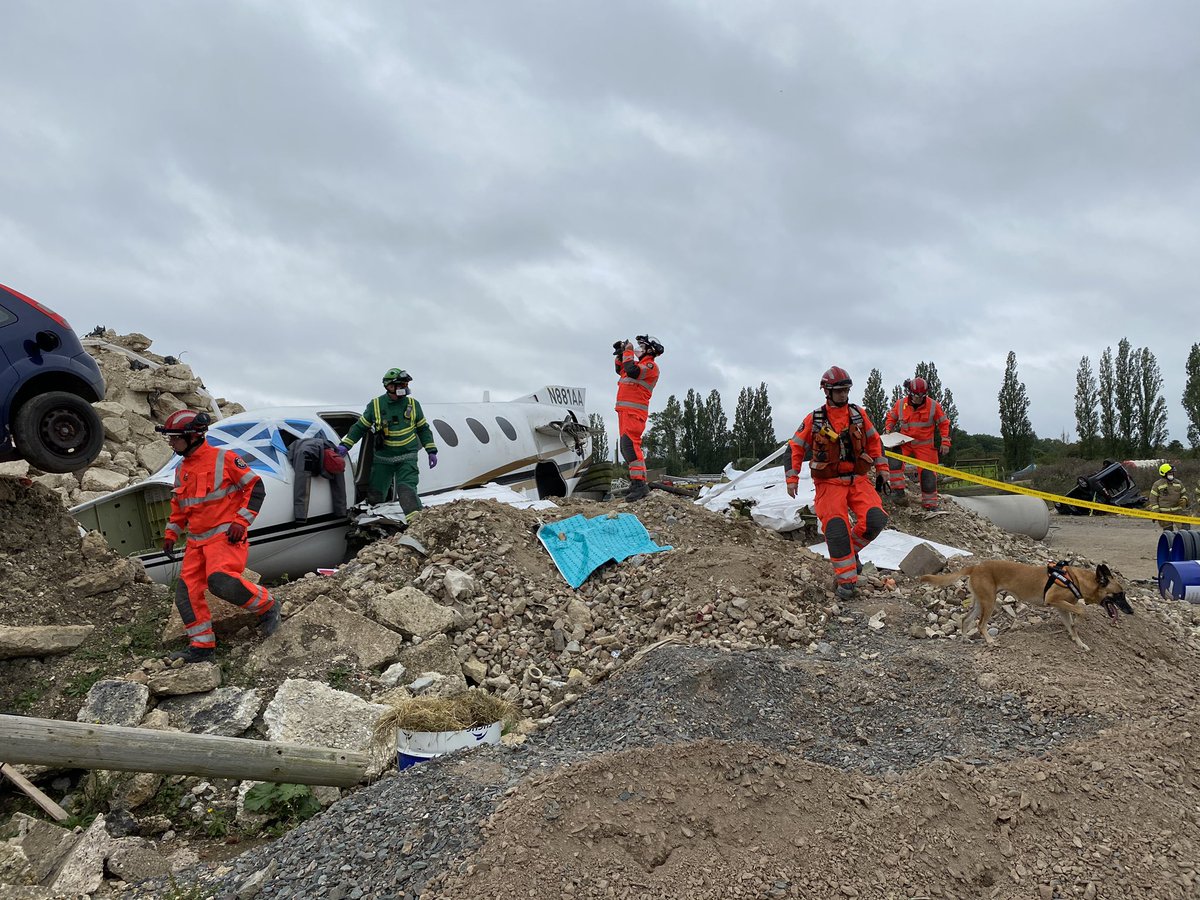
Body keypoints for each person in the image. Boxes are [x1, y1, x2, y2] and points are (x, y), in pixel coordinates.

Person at [156, 410, 279, 664]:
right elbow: (179, 506)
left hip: (225, 538)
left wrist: (241, 521)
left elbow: (255, 487)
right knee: (186, 595)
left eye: (175, 437)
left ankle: (267, 606)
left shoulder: (224, 459)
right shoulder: (181, 470)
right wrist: (171, 534)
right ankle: (202, 647)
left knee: (220, 581)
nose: (171, 442)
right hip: (195, 543)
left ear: (192, 436)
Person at [786, 366, 890, 599]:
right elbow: (794, 448)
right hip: (829, 484)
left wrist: (883, 470)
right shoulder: (814, 419)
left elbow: (875, 442)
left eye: (846, 390)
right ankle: (846, 581)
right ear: (827, 392)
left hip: (858, 480)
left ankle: (850, 554)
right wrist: (791, 479)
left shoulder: (858, 414)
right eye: (839, 391)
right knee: (836, 529)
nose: (844, 395)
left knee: (875, 519)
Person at [338, 368, 438, 509]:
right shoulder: (376, 405)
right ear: (390, 386)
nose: (405, 388)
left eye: (406, 385)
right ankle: (375, 523)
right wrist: (345, 445)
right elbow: (360, 427)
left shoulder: (413, 405)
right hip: (383, 458)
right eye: (402, 385)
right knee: (375, 495)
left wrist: (431, 450)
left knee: (406, 490)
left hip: (407, 456)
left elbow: (423, 429)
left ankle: (415, 524)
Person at [884, 376, 951, 510]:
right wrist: (888, 429)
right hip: (905, 441)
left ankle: (930, 504)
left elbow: (944, 423)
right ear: (909, 392)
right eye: (916, 395)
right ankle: (898, 493)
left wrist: (945, 441)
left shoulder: (933, 406)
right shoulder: (901, 404)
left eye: (922, 395)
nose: (919, 398)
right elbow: (892, 417)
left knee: (928, 473)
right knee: (894, 462)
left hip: (924, 444)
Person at [614, 335, 663, 502]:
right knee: (626, 448)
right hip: (625, 411)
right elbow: (621, 369)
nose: (638, 349)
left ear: (650, 350)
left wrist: (628, 351)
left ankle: (640, 484)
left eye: (642, 346)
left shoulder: (651, 366)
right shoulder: (637, 364)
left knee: (631, 446)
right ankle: (636, 483)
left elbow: (632, 371)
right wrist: (620, 353)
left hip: (634, 413)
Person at [1149, 463, 1189, 531]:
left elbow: (1185, 493)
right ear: (1164, 473)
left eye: (1173, 472)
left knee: (1185, 528)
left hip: (1178, 511)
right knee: (1168, 533)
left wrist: (1185, 499)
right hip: (1164, 513)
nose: (1172, 474)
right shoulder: (1157, 484)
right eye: (1170, 473)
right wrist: (1156, 511)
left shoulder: (1178, 483)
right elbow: (1153, 498)